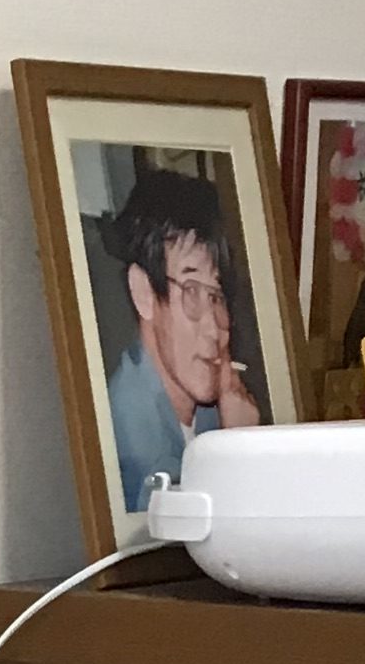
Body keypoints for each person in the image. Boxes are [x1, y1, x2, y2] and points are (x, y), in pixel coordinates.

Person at [102, 167, 263, 511]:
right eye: (191, 291)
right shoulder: (130, 435)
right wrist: (238, 446)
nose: (215, 329)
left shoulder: (207, 407)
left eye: (217, 296)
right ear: (144, 292)